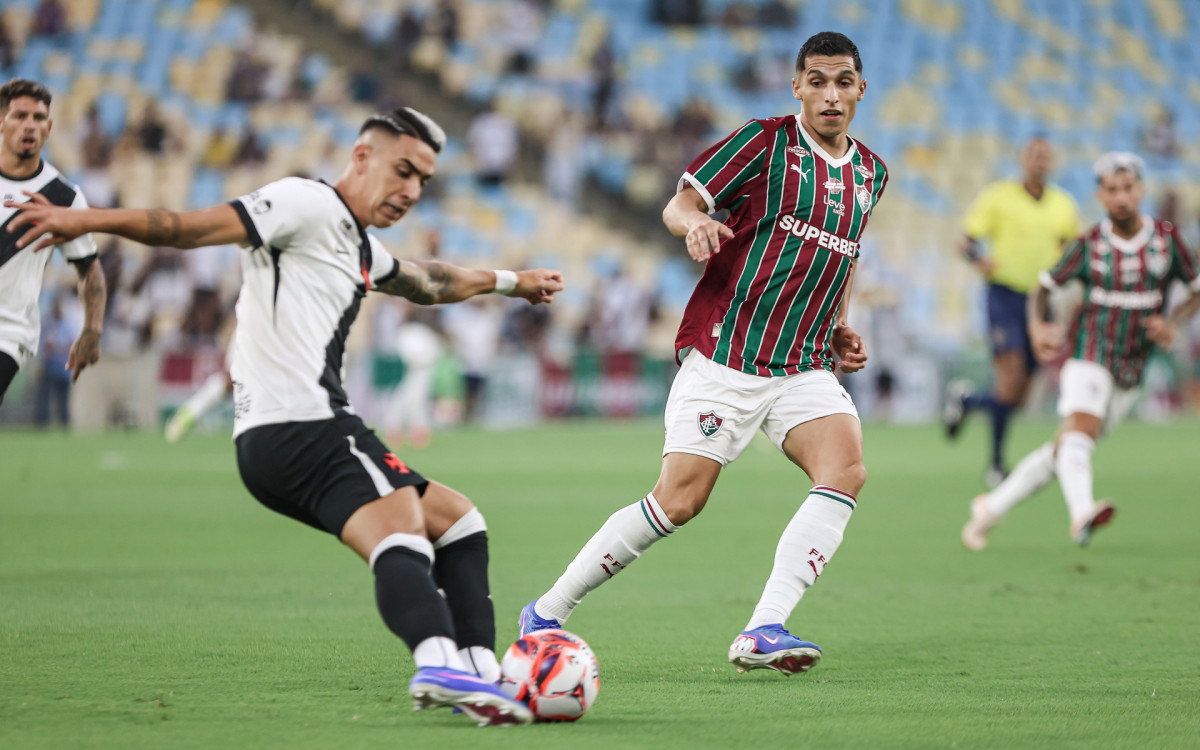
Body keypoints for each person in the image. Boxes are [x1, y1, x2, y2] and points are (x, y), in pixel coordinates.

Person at [8, 107, 565, 726]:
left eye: (424, 181)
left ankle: (482, 676)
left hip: (280, 438)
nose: (411, 190)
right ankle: (438, 662)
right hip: (303, 424)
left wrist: (513, 282)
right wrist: (80, 219)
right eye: (402, 170)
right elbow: (186, 227)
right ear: (361, 157)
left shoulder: (358, 245)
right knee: (401, 525)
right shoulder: (303, 203)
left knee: (458, 522)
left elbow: (430, 281)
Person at [518, 31, 888, 677]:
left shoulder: (870, 174)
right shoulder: (763, 141)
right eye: (819, 81)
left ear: (860, 89)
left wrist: (836, 323)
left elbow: (841, 252)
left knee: (846, 470)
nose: (831, 94)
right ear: (797, 86)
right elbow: (680, 203)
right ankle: (547, 612)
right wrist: (697, 225)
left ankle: (764, 627)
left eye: (845, 81)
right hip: (727, 354)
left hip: (801, 363)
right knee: (679, 502)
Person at [961, 152, 1200, 550]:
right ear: (1101, 196)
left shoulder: (1166, 240)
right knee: (1081, 432)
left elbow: (1195, 290)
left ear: (1140, 190)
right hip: (1089, 351)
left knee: (1067, 448)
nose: (1121, 197)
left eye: (1128, 188)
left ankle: (989, 508)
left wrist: (1172, 323)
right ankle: (1081, 514)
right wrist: (1038, 326)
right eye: (1112, 190)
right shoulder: (1089, 244)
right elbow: (1043, 287)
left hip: (1131, 367)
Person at [943, 137, 1080, 487]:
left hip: (1042, 301)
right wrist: (980, 259)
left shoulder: (1063, 205)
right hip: (1004, 295)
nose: (1040, 161)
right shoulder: (999, 196)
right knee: (1012, 378)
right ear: (1022, 158)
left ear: (1052, 162)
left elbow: (1071, 251)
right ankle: (997, 464)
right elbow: (966, 241)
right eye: (1034, 154)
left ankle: (969, 401)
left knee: (1017, 395)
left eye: (1046, 155)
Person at [0, 78, 105, 408]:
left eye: (38, 117)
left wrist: (92, 330)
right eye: (19, 116)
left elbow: (90, 269)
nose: (29, 125)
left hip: (8, 333)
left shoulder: (63, 197)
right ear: (1, 122)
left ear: (49, 127)